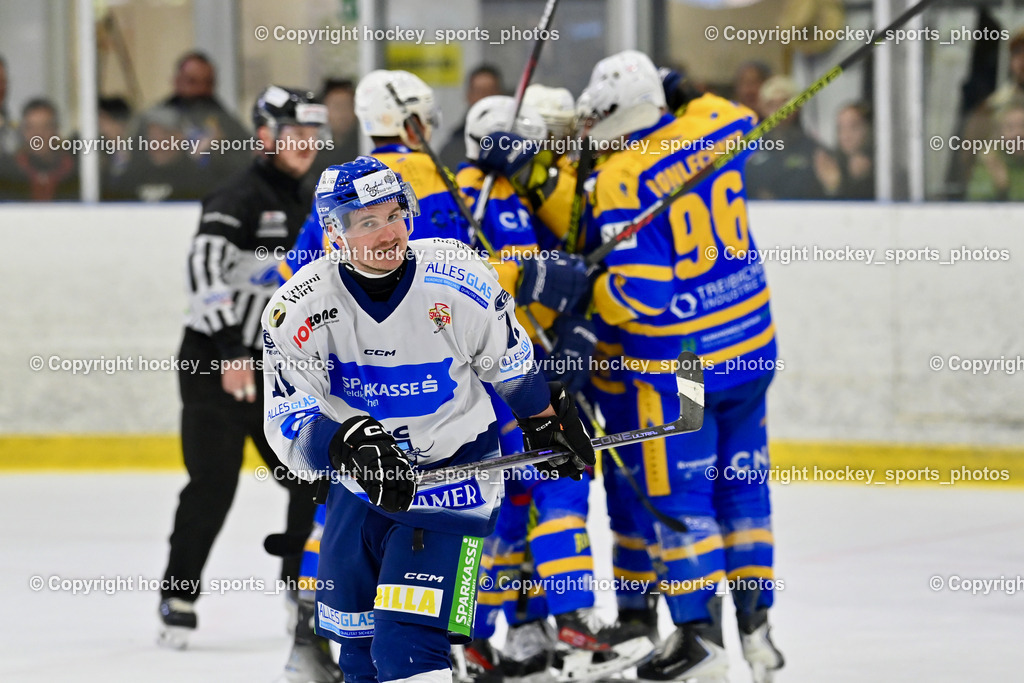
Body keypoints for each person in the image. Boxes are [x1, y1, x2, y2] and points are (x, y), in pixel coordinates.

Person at [261, 155, 597, 683]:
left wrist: (545, 419)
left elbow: (508, 363)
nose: (389, 233)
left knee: (409, 650)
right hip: (360, 489)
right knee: (358, 659)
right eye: (368, 222)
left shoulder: (458, 277)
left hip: (453, 482)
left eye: (395, 215)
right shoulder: (297, 309)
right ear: (334, 233)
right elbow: (288, 419)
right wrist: (343, 444)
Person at [578, 49, 784, 683]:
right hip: (751, 346)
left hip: (687, 366)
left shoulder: (621, 176)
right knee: (742, 485)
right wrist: (678, 88)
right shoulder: (716, 126)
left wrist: (587, 291)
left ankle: (702, 639)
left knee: (682, 494)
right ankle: (757, 632)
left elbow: (644, 292)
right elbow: (737, 115)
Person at [158, 87, 331, 672]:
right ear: (264, 135)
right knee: (213, 483)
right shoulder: (238, 196)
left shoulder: (315, 198)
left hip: (279, 367)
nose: (305, 144)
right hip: (216, 362)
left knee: (309, 475)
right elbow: (203, 270)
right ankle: (177, 594)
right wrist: (232, 350)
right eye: (294, 133)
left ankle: (299, 587)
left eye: (313, 134)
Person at [158, 50, 250, 175]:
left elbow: (247, 161)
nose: (200, 89)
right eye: (192, 82)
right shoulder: (158, 120)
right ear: (177, 81)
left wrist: (222, 150)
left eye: (208, 83)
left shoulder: (225, 121)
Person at [744, 75, 833, 200]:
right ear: (762, 108)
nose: (779, 111)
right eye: (771, 104)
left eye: (785, 103)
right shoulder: (748, 150)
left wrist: (833, 187)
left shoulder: (815, 151)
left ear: (797, 107)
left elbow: (830, 192)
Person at [0, 98, 78, 200]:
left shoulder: (75, 171)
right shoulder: (7, 173)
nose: (38, 135)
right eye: (31, 127)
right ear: (23, 131)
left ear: (56, 130)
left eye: (46, 126)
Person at [440, 65, 504, 170]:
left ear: (501, 95)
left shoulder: (515, 144)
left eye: (490, 92)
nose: (485, 99)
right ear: (468, 96)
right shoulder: (452, 150)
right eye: (479, 92)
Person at [967, 103, 1024, 201]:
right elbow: (975, 202)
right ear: (999, 134)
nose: (1018, 134)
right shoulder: (990, 163)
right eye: (1010, 128)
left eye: (1023, 126)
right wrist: (1001, 187)